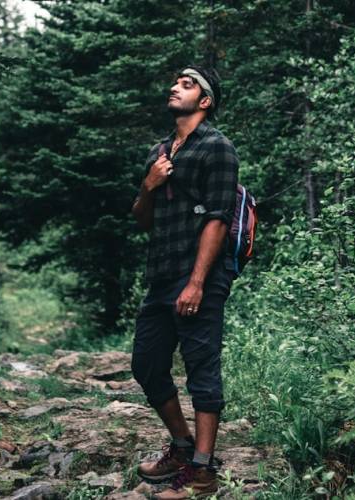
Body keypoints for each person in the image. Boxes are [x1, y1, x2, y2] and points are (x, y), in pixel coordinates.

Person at [131, 65, 239, 499]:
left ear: (205, 101)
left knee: (201, 369)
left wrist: (196, 283)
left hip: (201, 276)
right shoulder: (159, 152)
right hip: (160, 275)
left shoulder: (218, 148)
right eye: (176, 82)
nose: (175, 87)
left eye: (187, 84)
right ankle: (181, 446)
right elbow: (143, 220)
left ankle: (202, 473)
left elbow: (219, 217)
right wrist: (149, 184)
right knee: (146, 364)